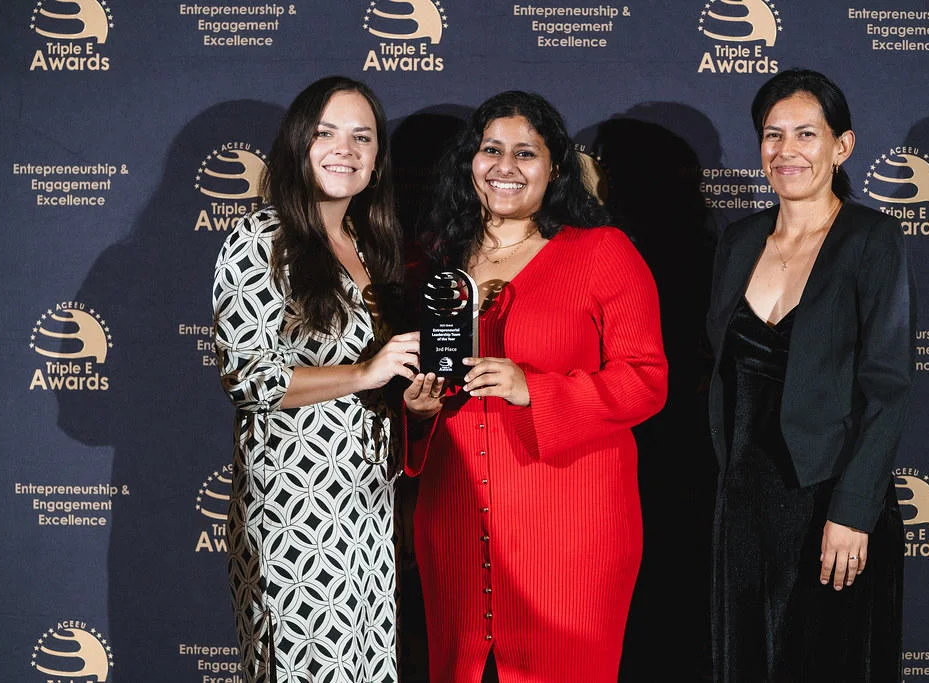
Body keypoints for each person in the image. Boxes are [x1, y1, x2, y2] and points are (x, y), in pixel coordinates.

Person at [401, 91, 668, 683]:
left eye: (526, 153)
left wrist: (534, 389)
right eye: (490, 150)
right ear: (469, 162)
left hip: (572, 527)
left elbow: (647, 381)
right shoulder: (438, 264)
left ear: (555, 168)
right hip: (456, 517)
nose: (505, 166)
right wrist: (416, 413)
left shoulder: (603, 253)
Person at [705, 68, 917, 682]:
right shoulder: (738, 241)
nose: (786, 151)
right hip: (743, 502)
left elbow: (888, 387)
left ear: (840, 146)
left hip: (829, 498)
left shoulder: (872, 238)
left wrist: (853, 510)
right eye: (773, 136)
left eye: (806, 134)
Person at [212, 75, 421, 683]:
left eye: (363, 137)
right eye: (327, 133)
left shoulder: (369, 242)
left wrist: (410, 396)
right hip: (295, 515)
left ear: (378, 159)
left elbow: (377, 380)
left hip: (368, 509)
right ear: (299, 143)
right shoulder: (260, 238)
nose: (345, 149)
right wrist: (363, 371)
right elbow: (249, 377)